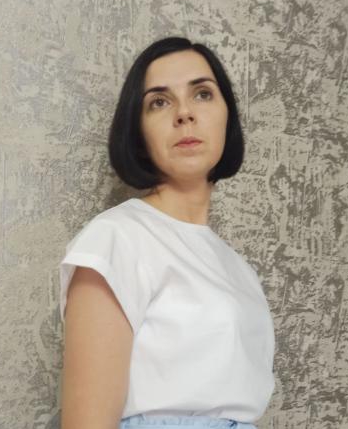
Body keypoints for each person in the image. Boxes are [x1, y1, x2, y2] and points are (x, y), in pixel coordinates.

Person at [59, 36, 275, 429]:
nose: (184, 113)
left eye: (203, 94)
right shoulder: (115, 239)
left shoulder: (240, 270)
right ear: (138, 132)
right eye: (159, 102)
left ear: (228, 116)